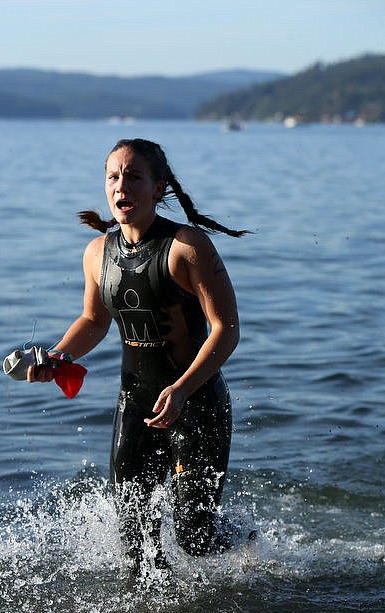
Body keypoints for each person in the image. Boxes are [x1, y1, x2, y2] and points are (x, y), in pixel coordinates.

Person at [28, 138, 247, 576]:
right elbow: (93, 320)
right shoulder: (97, 253)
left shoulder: (187, 246)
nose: (120, 185)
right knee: (135, 541)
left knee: (194, 539)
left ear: (158, 189)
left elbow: (227, 329)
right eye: (113, 176)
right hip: (136, 404)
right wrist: (55, 357)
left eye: (133, 176)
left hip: (196, 405)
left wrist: (183, 389)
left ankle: (247, 544)